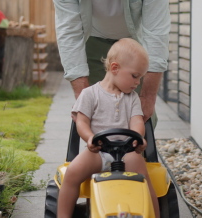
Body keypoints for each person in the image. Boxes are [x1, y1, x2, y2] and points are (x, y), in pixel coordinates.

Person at [56, 38, 160, 218]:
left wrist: (138, 137)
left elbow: (137, 121)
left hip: (127, 151)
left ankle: (154, 215)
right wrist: (90, 139)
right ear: (115, 68)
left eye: (140, 78)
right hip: (97, 151)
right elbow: (81, 122)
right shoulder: (90, 94)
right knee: (71, 174)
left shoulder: (132, 98)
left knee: (145, 177)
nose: (137, 83)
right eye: (135, 76)